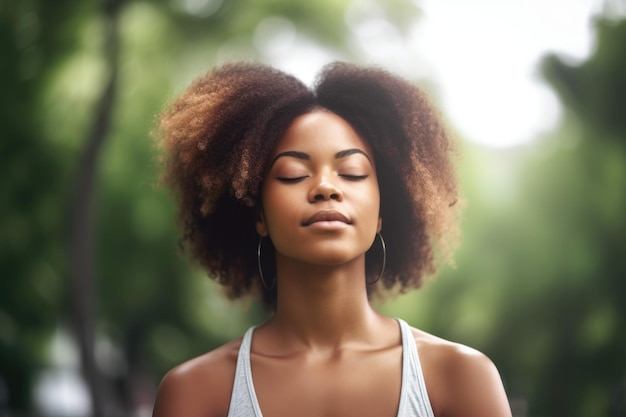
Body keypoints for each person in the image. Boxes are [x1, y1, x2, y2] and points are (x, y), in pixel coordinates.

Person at [152, 61, 512, 417]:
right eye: (293, 174)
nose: (326, 187)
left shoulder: (460, 378)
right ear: (259, 215)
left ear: (384, 212)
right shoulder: (196, 392)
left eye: (352, 173)